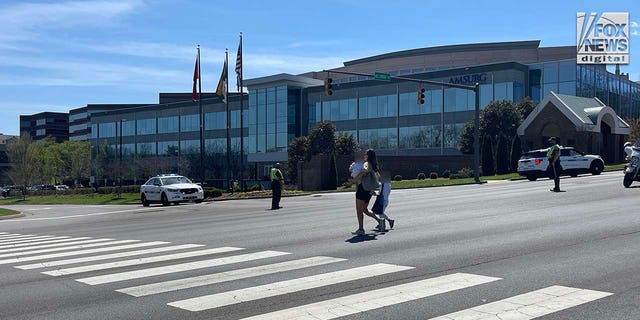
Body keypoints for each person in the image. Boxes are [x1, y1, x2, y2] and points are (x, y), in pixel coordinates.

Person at [352, 149, 384, 235]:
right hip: (369, 190)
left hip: (363, 188)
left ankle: (361, 229)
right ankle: (380, 221)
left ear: (368, 156)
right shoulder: (374, 165)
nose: (364, 156)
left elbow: (364, 171)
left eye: (365, 154)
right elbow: (379, 177)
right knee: (365, 210)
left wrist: (355, 179)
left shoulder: (366, 164)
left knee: (359, 210)